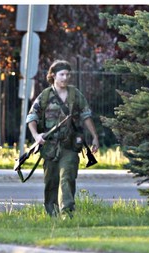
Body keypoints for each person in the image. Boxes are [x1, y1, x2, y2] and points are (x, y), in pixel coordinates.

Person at [26, 59, 100, 218]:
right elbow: (32, 117)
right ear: (53, 75)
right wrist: (36, 136)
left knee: (67, 178)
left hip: (70, 146)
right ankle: (52, 215)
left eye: (68, 74)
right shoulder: (45, 96)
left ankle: (67, 214)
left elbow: (86, 116)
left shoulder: (75, 94)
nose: (65, 78)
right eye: (62, 74)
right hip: (50, 147)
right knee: (51, 182)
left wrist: (95, 136)